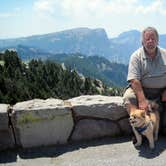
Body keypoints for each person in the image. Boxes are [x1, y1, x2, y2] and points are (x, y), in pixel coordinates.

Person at [123, 27, 166, 117]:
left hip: (162, 92)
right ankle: (139, 126)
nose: (150, 41)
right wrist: (141, 99)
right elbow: (134, 80)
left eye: (153, 39)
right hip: (142, 90)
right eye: (147, 39)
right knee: (129, 97)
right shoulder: (136, 56)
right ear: (142, 42)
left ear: (157, 41)